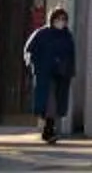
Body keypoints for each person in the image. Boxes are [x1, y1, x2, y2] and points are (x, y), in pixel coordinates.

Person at [22, 9, 77, 144]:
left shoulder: (67, 36)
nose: (61, 22)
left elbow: (71, 55)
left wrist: (69, 69)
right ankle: (49, 130)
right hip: (45, 74)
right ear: (52, 19)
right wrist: (35, 65)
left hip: (61, 74)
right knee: (50, 102)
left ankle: (50, 129)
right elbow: (29, 51)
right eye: (58, 19)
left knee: (58, 103)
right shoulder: (42, 34)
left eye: (63, 19)